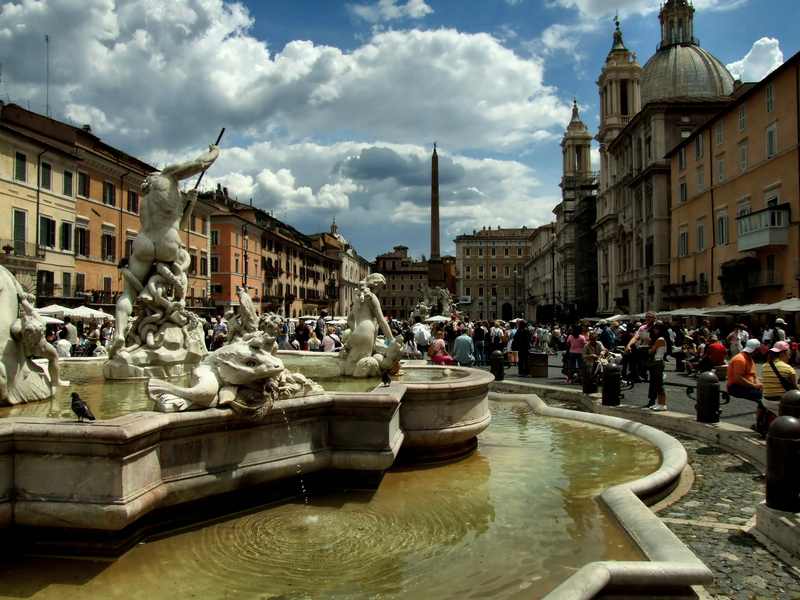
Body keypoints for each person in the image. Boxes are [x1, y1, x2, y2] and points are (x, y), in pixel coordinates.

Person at [111, 144, 220, 356]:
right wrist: (215, 152)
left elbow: (179, 221)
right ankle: (180, 302)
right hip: (167, 241)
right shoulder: (169, 174)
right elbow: (200, 164)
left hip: (143, 241)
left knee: (128, 293)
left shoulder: (146, 195)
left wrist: (189, 202)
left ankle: (119, 333)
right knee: (184, 263)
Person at [761, 341, 796, 426]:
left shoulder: (764, 366)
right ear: (783, 353)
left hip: (766, 401)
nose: (790, 355)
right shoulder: (788, 369)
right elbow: (794, 390)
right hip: (781, 402)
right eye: (789, 353)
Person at [626, 312, 656, 383]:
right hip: (643, 347)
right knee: (631, 354)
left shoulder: (657, 327)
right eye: (647, 317)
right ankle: (636, 374)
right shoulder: (642, 327)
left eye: (650, 317)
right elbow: (635, 337)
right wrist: (628, 345)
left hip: (654, 347)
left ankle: (643, 373)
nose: (648, 318)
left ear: (654, 318)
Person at [646, 323, 668, 411]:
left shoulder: (660, 339)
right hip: (657, 362)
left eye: (656, 329)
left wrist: (649, 343)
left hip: (658, 362)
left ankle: (663, 404)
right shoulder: (660, 339)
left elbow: (651, 351)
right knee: (656, 383)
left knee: (659, 384)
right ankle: (659, 403)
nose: (654, 331)